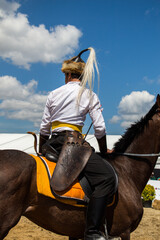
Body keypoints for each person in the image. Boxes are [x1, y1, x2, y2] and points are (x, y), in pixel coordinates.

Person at [39, 47, 117, 240]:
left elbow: (44, 128)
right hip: (73, 144)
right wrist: (103, 152)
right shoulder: (89, 94)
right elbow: (99, 128)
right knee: (107, 177)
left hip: (52, 144)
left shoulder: (53, 94)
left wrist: (41, 148)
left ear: (68, 75)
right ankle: (91, 232)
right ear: (81, 76)